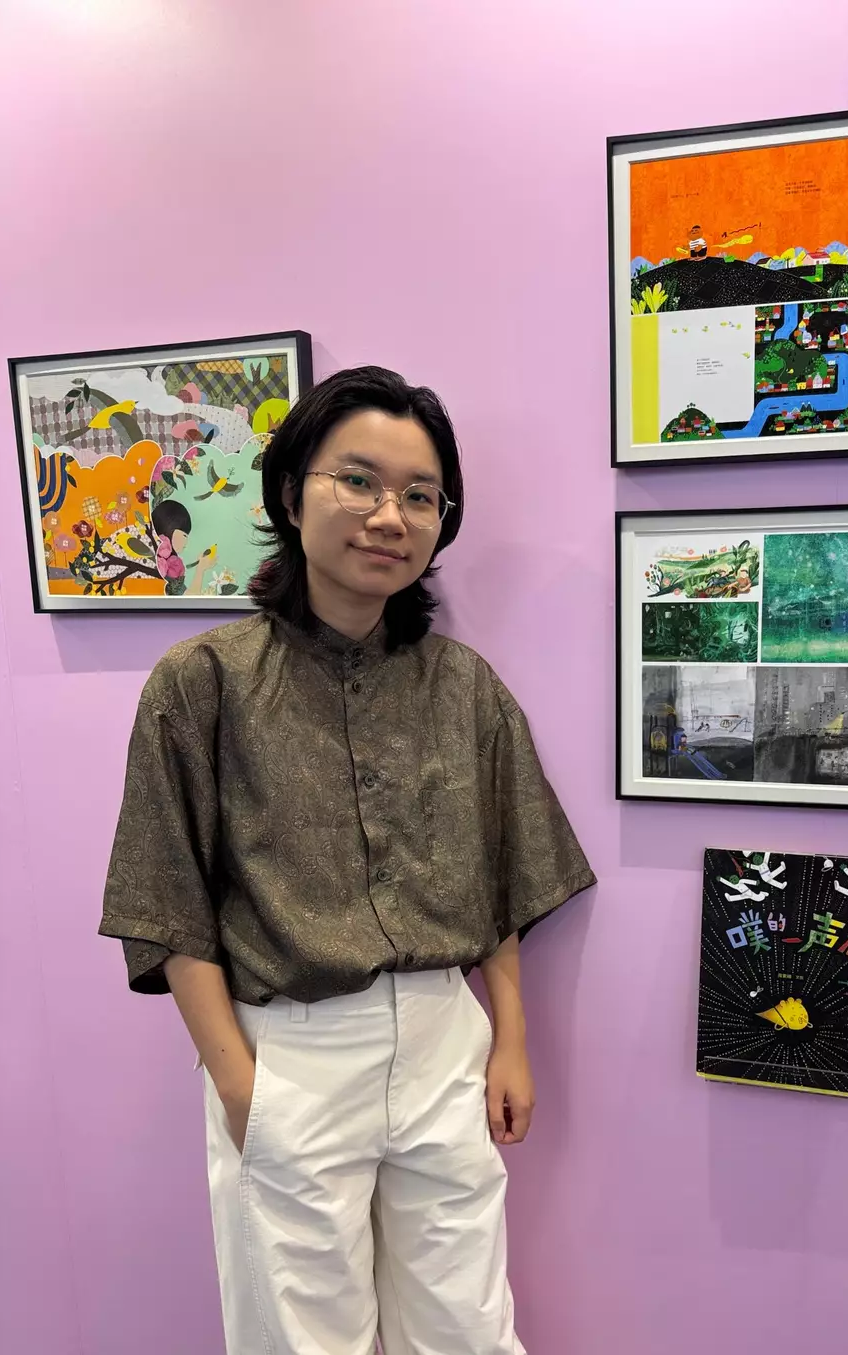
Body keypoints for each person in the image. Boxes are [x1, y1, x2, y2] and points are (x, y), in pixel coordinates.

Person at [99, 366, 596, 1355]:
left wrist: (510, 1039)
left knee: (467, 1329)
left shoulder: (465, 687)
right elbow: (167, 902)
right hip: (291, 1048)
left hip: (443, 1044)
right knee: (302, 1336)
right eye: (358, 480)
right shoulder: (201, 684)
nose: (389, 515)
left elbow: (502, 870)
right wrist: (240, 1086)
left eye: (421, 495)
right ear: (292, 495)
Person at [151, 498, 213, 595]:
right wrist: (200, 570)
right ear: (169, 528)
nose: (186, 542)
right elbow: (189, 599)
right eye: (184, 535)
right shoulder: (161, 565)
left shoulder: (170, 563)